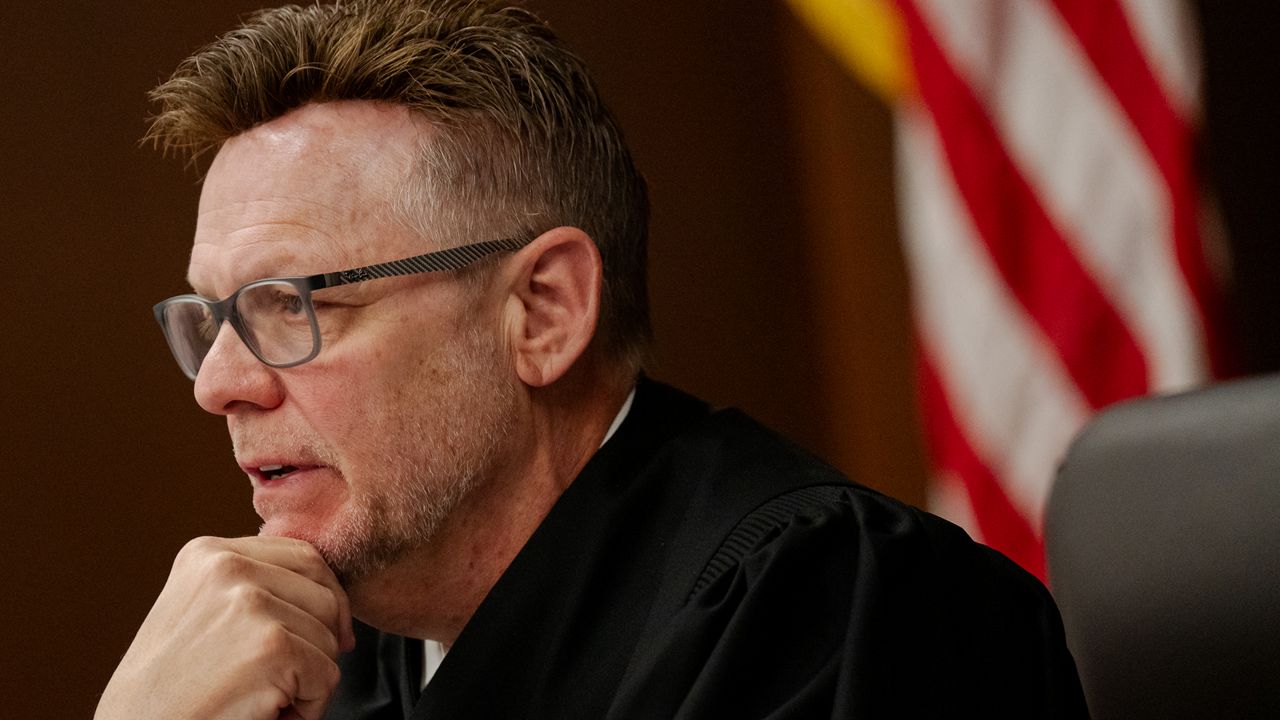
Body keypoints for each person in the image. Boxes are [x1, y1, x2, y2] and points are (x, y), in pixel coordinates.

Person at [98, 1, 1088, 718]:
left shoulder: (835, 609)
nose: (218, 382)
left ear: (542, 310)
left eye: (289, 306)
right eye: (212, 318)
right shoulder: (319, 656)